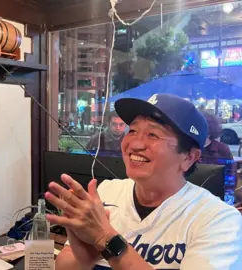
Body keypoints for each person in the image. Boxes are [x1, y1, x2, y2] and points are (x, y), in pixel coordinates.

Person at [48, 94, 242, 269]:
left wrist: (106, 240)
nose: (135, 144)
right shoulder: (106, 194)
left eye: (153, 135)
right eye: (132, 131)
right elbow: (65, 265)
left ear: (189, 157)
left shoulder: (219, 220)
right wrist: (83, 258)